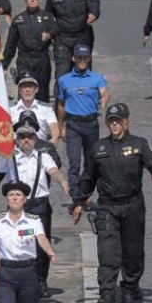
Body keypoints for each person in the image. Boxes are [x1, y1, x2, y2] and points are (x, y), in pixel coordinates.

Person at [73, 103, 152, 303]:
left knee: (133, 253)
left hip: (133, 205)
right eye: (111, 121)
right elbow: (87, 177)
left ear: (127, 122)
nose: (115, 124)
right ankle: (106, 294)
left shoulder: (139, 144)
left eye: (118, 121)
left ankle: (129, 289)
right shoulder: (98, 148)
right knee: (107, 252)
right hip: (107, 206)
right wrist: (79, 202)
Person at [0, 112, 69, 303]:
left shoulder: (43, 155)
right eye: (22, 137)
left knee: (38, 249)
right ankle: (13, 287)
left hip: (39, 206)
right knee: (17, 246)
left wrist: (63, 181)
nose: (26, 140)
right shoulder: (10, 157)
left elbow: (53, 170)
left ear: (35, 138)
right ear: (17, 139)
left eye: (30, 136)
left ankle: (37, 288)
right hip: (17, 207)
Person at [56, 44, 109, 202]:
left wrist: (104, 99)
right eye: (79, 57)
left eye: (85, 57)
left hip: (91, 124)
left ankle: (86, 192)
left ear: (89, 58)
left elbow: (105, 92)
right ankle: (75, 195)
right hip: (73, 125)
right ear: (73, 58)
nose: (82, 60)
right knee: (74, 161)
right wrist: (61, 126)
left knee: (91, 161)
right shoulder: (64, 80)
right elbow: (61, 104)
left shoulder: (97, 78)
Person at [46, 0, 100, 99]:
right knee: (62, 74)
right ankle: (60, 105)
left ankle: (87, 101)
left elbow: (95, 8)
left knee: (83, 71)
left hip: (82, 38)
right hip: (62, 40)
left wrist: (92, 15)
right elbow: (49, 18)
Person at [2, 0, 57, 103]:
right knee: (25, 90)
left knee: (42, 94)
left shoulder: (48, 17)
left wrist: (49, 34)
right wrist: (4, 66)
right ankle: (23, 118)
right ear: (25, 0)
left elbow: (57, 30)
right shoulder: (18, 20)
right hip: (24, 60)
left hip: (42, 60)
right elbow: (10, 45)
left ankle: (41, 119)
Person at [9, 75, 60, 146]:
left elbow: (54, 129)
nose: (27, 90)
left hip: (40, 149)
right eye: (24, 87)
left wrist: (50, 145)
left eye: (30, 86)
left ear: (36, 89)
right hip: (17, 150)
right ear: (20, 90)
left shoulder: (46, 108)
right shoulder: (10, 109)